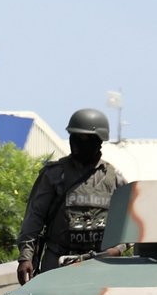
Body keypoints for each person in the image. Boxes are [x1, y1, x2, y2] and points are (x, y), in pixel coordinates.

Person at [15, 108, 128, 284]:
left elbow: (129, 225)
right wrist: (25, 257)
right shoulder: (54, 175)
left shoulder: (114, 179)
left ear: (98, 141)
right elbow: (34, 219)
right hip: (59, 263)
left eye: (84, 139)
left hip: (100, 264)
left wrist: (118, 249)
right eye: (74, 137)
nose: (77, 143)